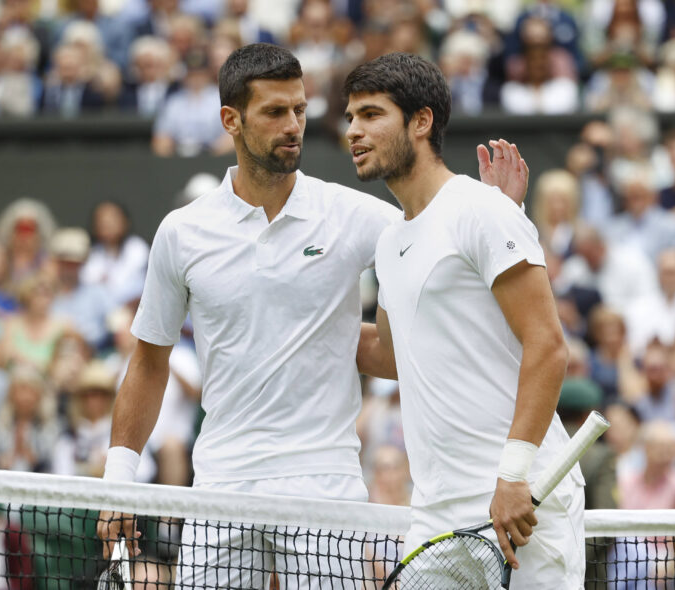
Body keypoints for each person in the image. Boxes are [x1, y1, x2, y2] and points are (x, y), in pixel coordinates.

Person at [97, 43, 525, 588]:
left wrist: (502, 215)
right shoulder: (181, 232)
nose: (293, 124)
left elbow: (446, 284)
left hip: (326, 485)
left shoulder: (360, 215)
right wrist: (118, 483)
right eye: (275, 112)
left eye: (299, 110)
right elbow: (149, 363)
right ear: (231, 120)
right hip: (220, 486)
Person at [344, 52, 584, 588]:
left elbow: (548, 346)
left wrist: (514, 475)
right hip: (435, 512)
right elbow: (388, 352)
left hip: (522, 497)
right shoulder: (390, 241)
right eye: (350, 118)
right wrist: (281, 324)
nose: (354, 131)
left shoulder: (480, 208)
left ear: (421, 121)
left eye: (371, 115)